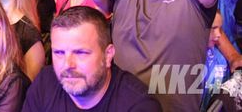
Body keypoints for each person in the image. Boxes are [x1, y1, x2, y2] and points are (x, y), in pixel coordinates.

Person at [22, 6, 162, 111]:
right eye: (59, 53)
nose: (67, 64)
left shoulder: (139, 105)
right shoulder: (44, 84)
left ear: (108, 55)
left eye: (80, 53)